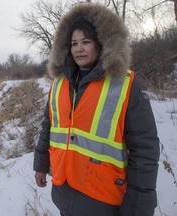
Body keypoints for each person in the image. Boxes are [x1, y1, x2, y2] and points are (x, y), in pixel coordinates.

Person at [33, 3, 160, 216]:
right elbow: (48, 125)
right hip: (64, 192)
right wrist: (41, 164)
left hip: (103, 199)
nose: (78, 48)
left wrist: (138, 205)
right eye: (74, 43)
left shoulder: (125, 84)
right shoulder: (58, 84)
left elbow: (145, 148)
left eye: (86, 42)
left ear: (100, 44)